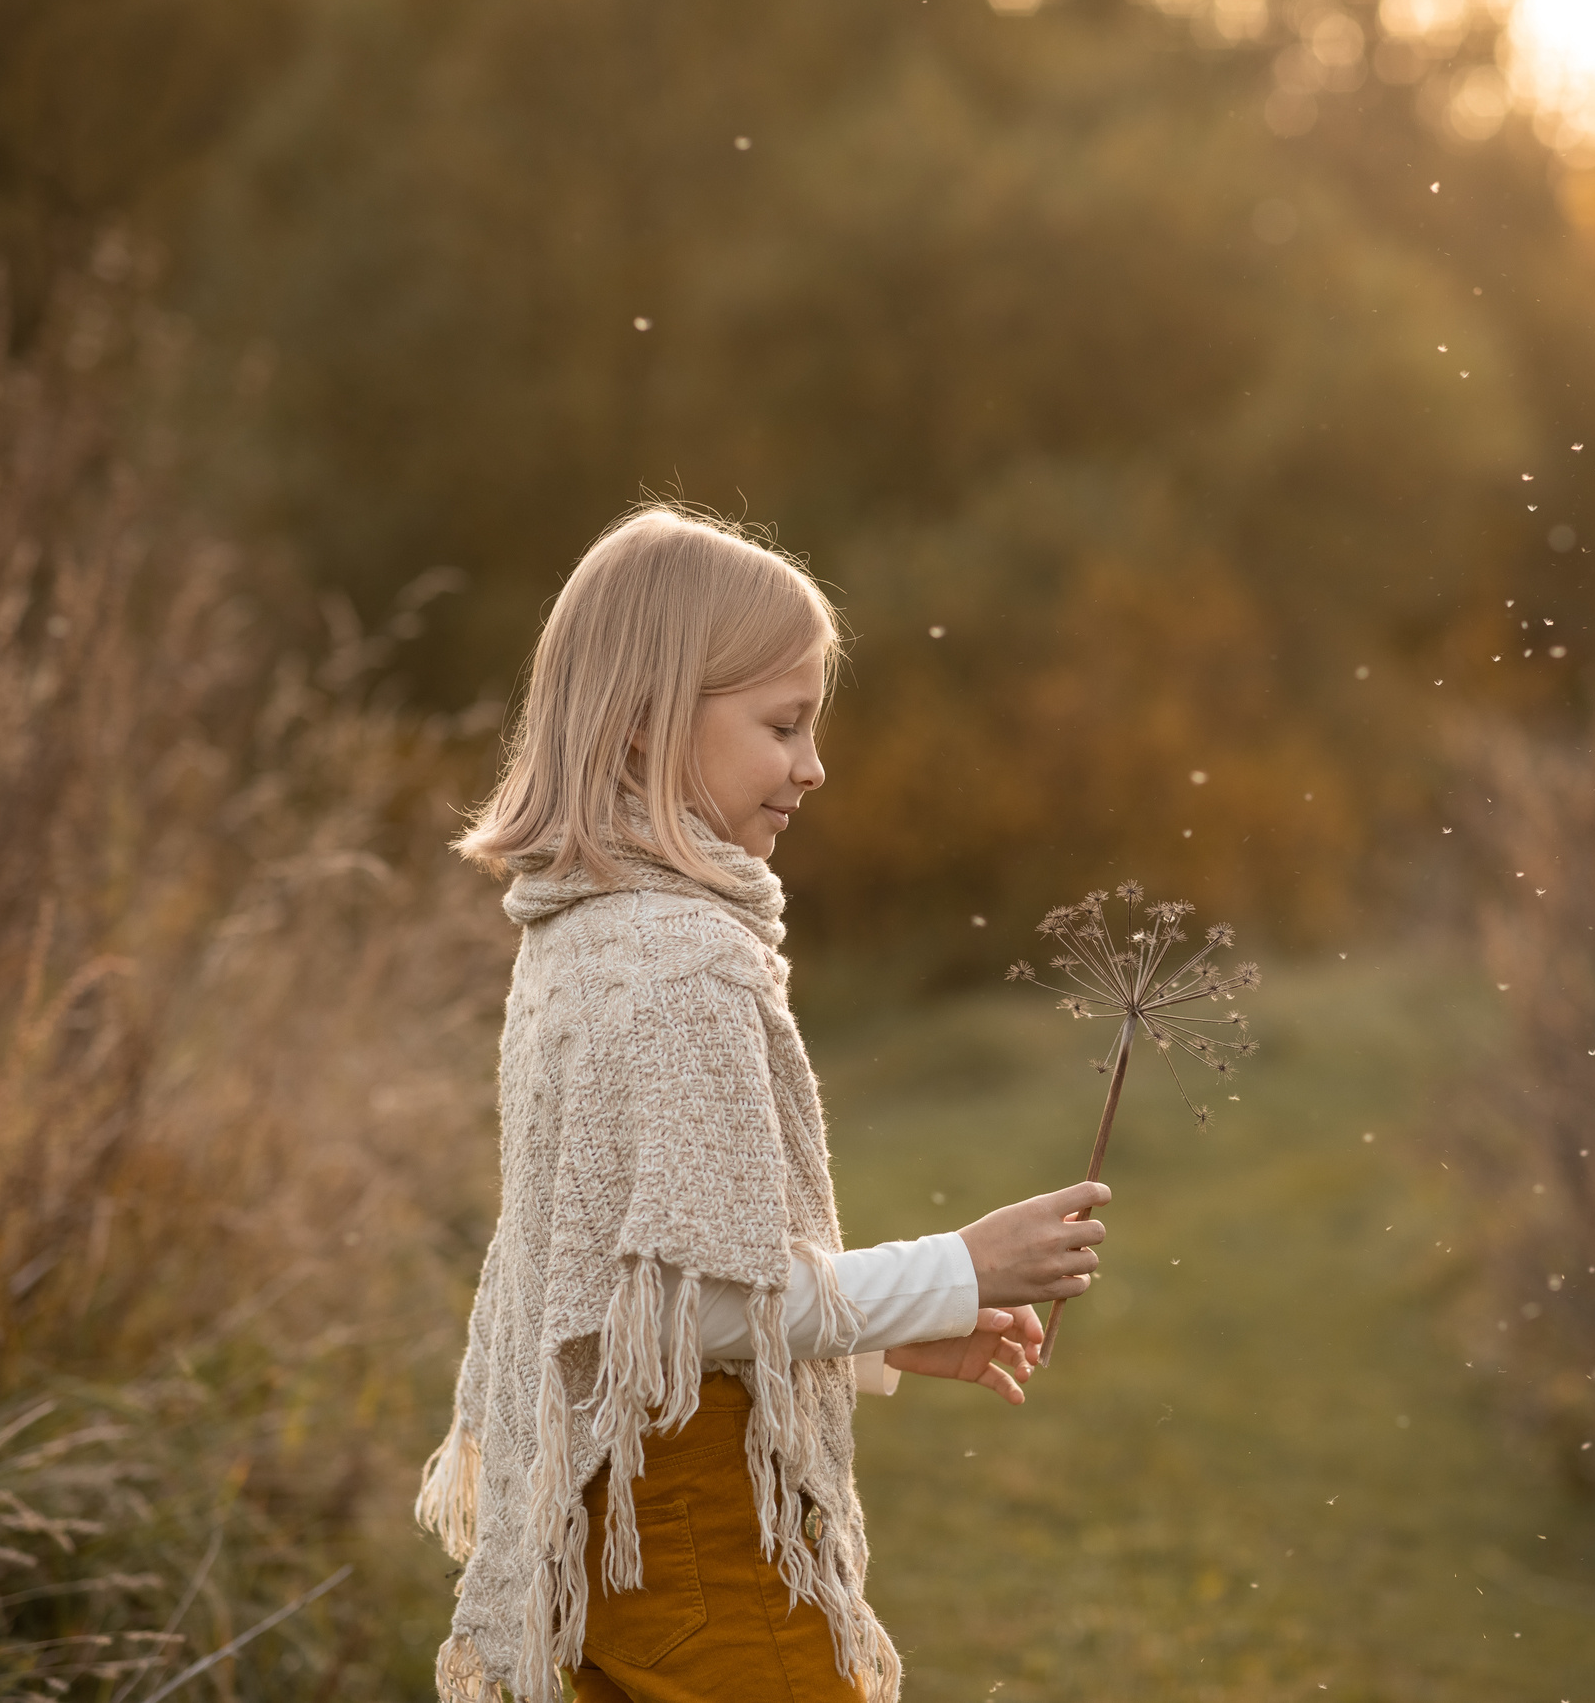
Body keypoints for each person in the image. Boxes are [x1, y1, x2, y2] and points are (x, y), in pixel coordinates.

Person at [414, 505, 1106, 1703]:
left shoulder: (580, 935)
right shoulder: (684, 956)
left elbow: (629, 1275)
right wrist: (959, 1265)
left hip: (608, 1513)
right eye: (782, 725)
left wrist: (882, 1342)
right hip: (691, 1520)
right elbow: (705, 1296)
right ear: (645, 722)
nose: (812, 765)